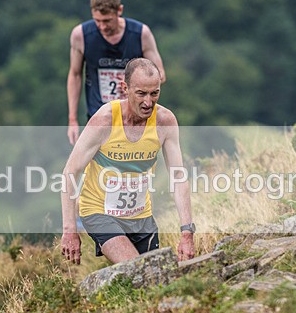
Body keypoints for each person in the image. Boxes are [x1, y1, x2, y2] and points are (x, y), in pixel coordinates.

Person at [61, 58, 195, 265]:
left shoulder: (165, 121)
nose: (148, 102)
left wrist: (187, 232)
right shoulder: (105, 120)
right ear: (125, 88)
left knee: (158, 278)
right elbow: (70, 172)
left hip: (141, 216)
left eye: (154, 93)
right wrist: (69, 230)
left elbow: (178, 177)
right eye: (141, 93)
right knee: (136, 268)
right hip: (99, 212)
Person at [67, 0, 167, 145]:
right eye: (97, 21)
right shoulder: (80, 35)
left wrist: (134, 84)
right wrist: (72, 120)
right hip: (97, 117)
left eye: (107, 21)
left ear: (119, 10)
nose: (102, 26)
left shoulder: (141, 34)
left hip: (133, 119)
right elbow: (75, 74)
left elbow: (160, 74)